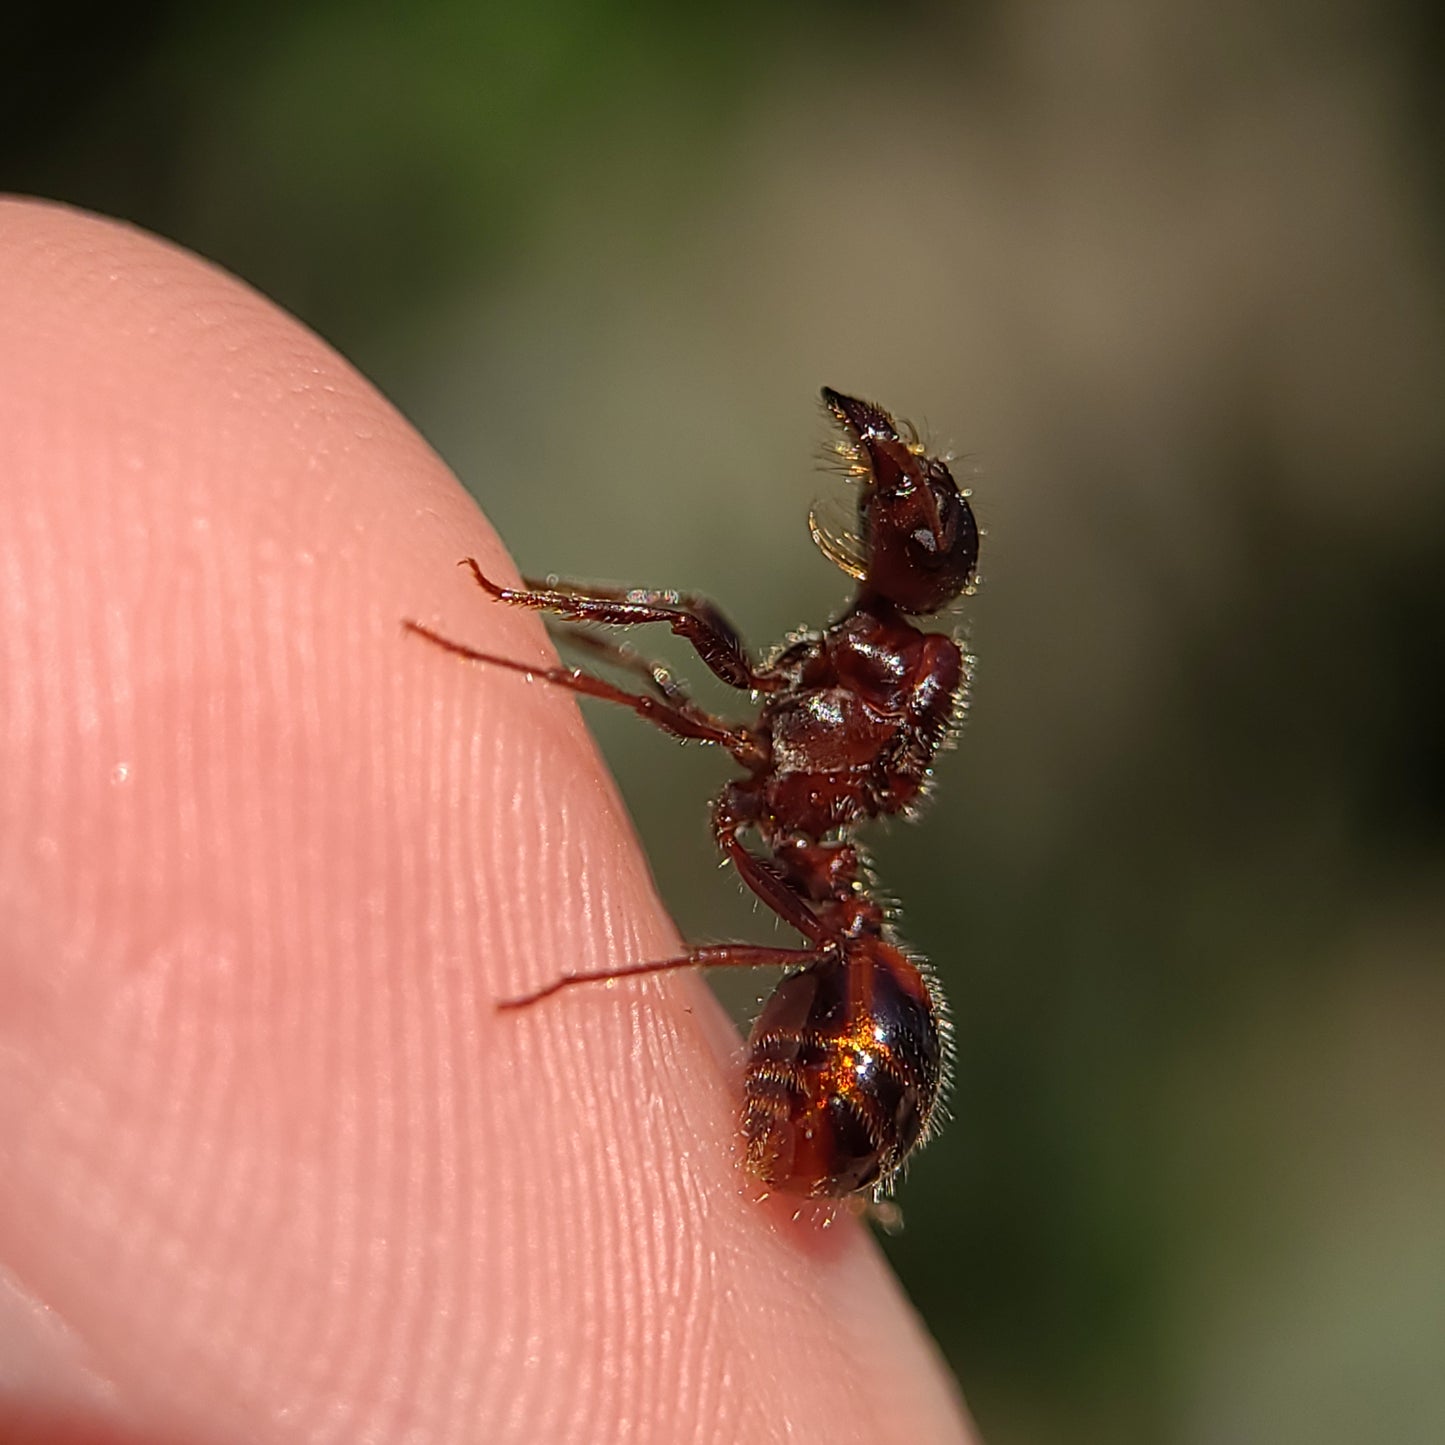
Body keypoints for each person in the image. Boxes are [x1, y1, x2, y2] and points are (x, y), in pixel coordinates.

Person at [0, 198, 976, 1444]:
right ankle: (519, 619)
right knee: (680, 634)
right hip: (851, 1001)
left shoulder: (855, 765)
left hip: (850, 1039)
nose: (869, 571)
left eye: (894, 532)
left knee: (677, 642)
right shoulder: (843, 734)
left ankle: (517, 643)